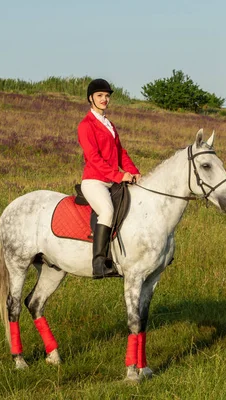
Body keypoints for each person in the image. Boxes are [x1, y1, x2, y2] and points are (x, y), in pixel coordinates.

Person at [78, 78, 141, 279]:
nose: (104, 99)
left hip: (112, 180)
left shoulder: (109, 124)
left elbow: (120, 152)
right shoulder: (85, 125)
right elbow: (94, 158)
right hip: (94, 180)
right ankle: (99, 263)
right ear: (90, 98)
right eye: (100, 96)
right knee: (106, 211)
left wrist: (134, 171)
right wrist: (119, 175)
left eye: (107, 96)